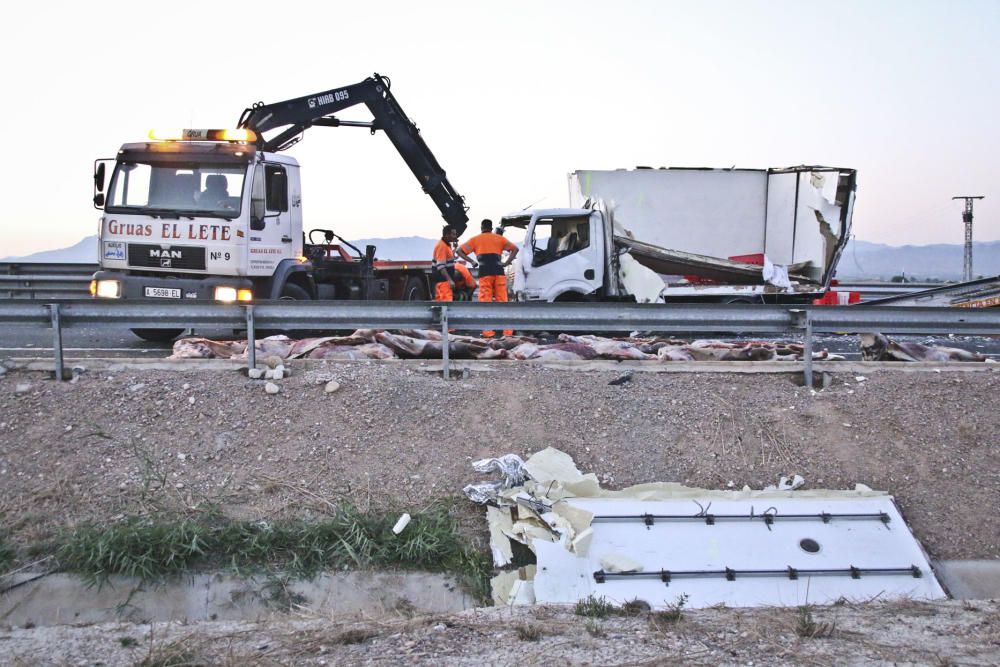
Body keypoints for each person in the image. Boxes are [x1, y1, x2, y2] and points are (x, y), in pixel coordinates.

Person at [457, 218, 519, 337]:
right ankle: (507, 333)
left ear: (481, 228)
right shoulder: (499, 238)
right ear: (491, 228)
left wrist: (472, 261)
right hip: (499, 272)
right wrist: (506, 263)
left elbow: (459, 251)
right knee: (503, 302)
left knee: (486, 302)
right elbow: (515, 249)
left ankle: (488, 332)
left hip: (485, 273)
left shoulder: (475, 240)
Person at [432, 225, 459, 301]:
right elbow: (441, 266)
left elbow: (448, 259)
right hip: (444, 281)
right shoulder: (442, 246)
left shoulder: (446, 245)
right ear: (447, 235)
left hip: (442, 281)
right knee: (446, 303)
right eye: (453, 234)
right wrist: (449, 280)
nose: (455, 236)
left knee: (440, 303)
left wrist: (455, 248)